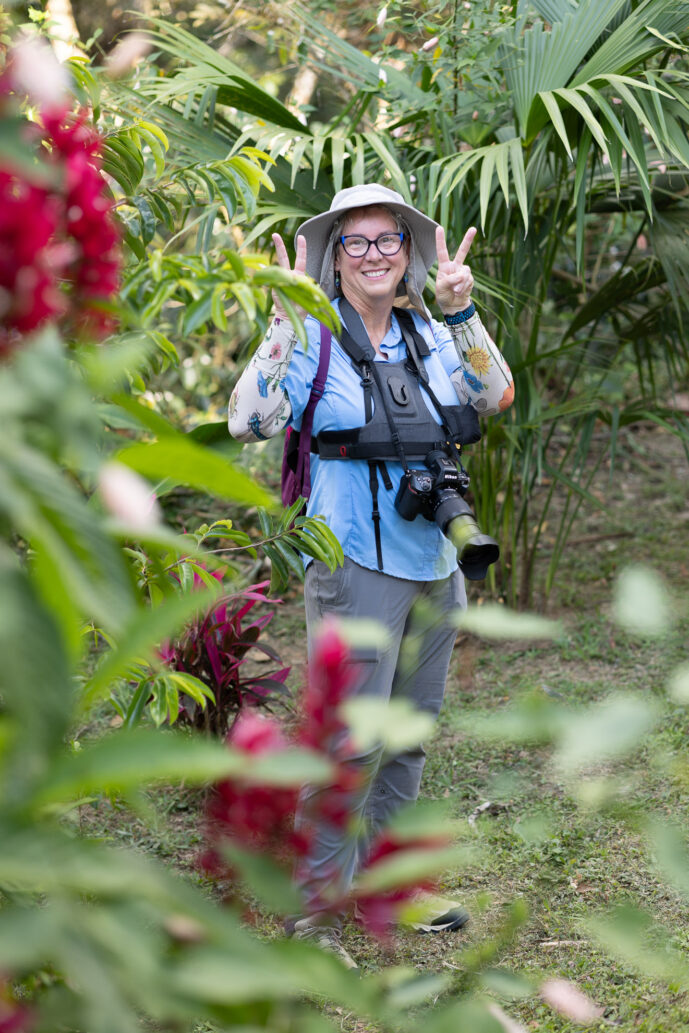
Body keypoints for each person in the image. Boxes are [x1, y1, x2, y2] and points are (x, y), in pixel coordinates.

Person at [228, 184, 514, 968]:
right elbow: (245, 420)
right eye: (355, 242)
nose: (375, 254)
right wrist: (282, 324)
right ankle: (315, 908)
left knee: (409, 733)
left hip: (434, 557)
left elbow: (494, 394)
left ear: (408, 252)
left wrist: (462, 312)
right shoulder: (314, 335)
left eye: (388, 239)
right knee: (349, 742)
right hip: (352, 560)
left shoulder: (431, 330)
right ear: (333, 257)